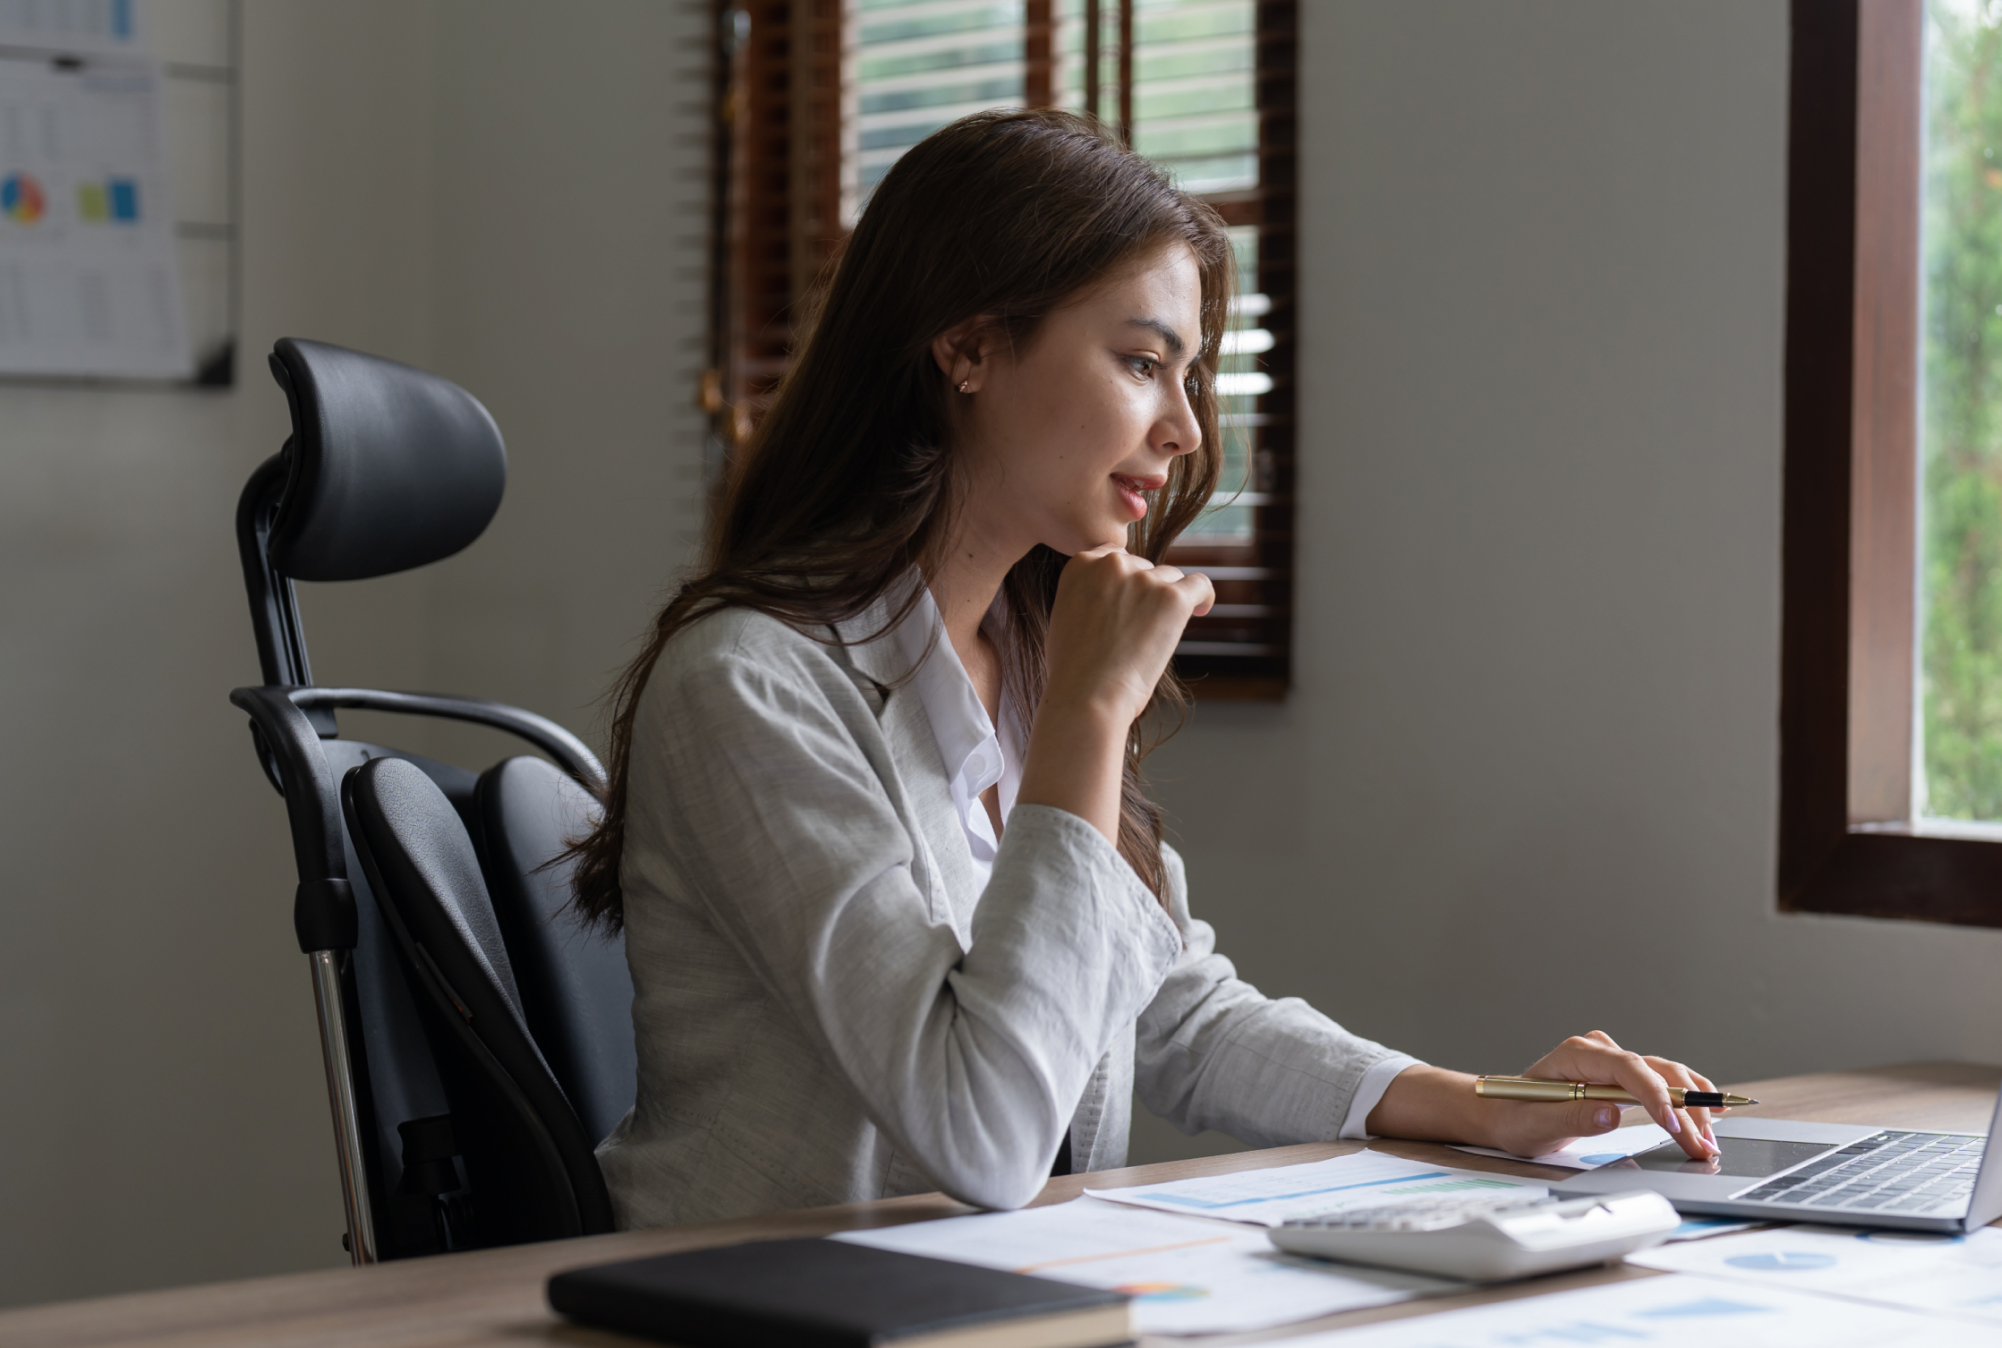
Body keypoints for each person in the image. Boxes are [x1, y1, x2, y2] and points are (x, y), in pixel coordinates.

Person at [567, 108, 1722, 1228]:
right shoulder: (749, 686)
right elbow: (981, 1136)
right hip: (756, 1305)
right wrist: (1088, 711)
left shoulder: (1026, 659)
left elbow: (1169, 1008)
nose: (1180, 429)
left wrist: (1482, 1104)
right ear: (966, 346)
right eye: (1139, 363)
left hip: (985, 1298)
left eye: (1187, 378)